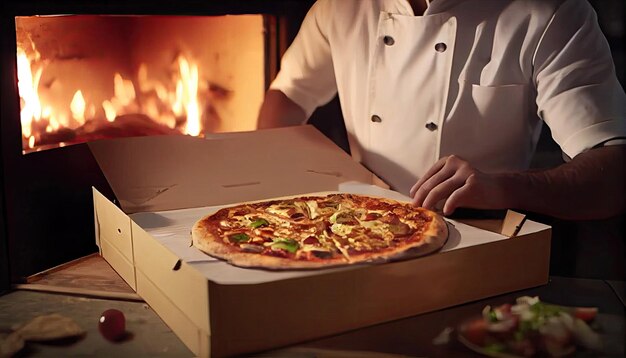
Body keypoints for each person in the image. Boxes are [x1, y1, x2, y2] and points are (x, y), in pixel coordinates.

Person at [257, 0, 625, 220]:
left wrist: (505, 187)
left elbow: (614, 170)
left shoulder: (552, 13)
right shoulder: (341, 6)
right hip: (355, 225)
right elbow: (288, 96)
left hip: (482, 234)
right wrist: (285, 186)